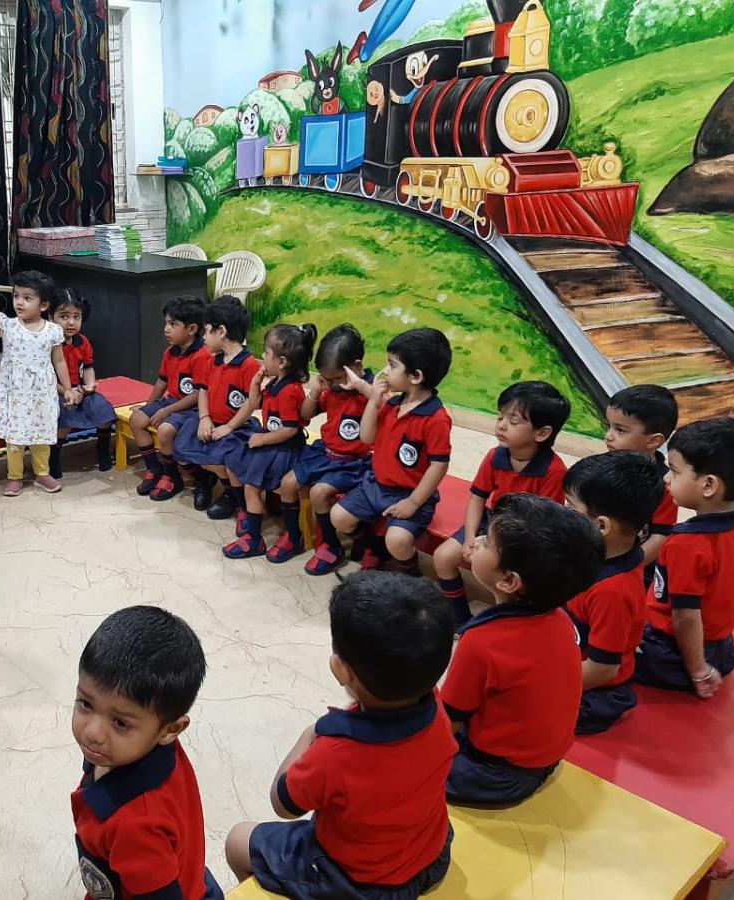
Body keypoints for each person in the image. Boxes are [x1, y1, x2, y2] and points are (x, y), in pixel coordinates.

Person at [224, 571, 456, 899]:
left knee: (237, 841)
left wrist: (311, 734)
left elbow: (283, 804)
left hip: (358, 883)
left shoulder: (333, 752)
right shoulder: (437, 708)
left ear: (340, 668)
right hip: (431, 857)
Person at [442, 494, 602, 804]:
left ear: (509, 580)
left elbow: (449, 721)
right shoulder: (560, 619)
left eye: (487, 542)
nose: (477, 542)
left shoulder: (481, 642)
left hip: (495, 774)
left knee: (399, 760)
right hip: (544, 758)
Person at [71, 606, 223, 899]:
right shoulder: (146, 743)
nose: (93, 732)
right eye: (86, 704)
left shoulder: (135, 825)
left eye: (120, 723)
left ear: (171, 730)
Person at [634, 417, 734, 698]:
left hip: (671, 651)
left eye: (675, 471)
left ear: (708, 485)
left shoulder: (685, 544)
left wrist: (698, 669)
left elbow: (685, 616)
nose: (666, 479)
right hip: (722, 648)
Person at [433, 381, 570, 625]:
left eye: (514, 421)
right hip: (493, 520)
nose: (502, 425)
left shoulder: (554, 471)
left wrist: (497, 548)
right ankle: (459, 618)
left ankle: (501, 621)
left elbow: (544, 524)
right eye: (500, 417)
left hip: (525, 535)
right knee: (443, 557)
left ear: (542, 433)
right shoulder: (495, 456)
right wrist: (470, 537)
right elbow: (477, 498)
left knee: (503, 579)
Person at [330, 328, 453, 576]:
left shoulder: (436, 419)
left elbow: (439, 466)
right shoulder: (394, 404)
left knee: (397, 540)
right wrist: (373, 401)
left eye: (392, 365)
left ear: (416, 376)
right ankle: (372, 545)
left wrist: (413, 502)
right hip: (375, 485)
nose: (385, 371)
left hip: (409, 493)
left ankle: (410, 573)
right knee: (339, 517)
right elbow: (367, 437)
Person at [563, 452, 665, 734]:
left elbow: (603, 669)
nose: (561, 515)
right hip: (567, 653)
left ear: (600, 526)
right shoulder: (590, 553)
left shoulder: (613, 592)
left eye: (570, 509)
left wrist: (544, 683)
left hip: (594, 688)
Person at [0, 270, 76, 497]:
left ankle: (42, 473)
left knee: (42, 433)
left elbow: (59, 361)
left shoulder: (52, 331)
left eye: (27, 298)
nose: (19, 302)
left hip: (42, 393)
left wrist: (67, 388)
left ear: (43, 305)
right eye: (16, 296)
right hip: (15, 393)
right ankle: (14, 476)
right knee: (15, 437)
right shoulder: (7, 325)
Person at [273, 324, 374, 575]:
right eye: (326, 379)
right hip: (324, 453)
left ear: (357, 367)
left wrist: (362, 387)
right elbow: (306, 415)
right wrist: (317, 391)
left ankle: (330, 545)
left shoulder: (371, 390)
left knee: (319, 492)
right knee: (287, 483)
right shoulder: (331, 388)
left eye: (336, 379)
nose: (332, 384)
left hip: (353, 461)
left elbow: (386, 407)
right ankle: (293, 536)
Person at [221, 324, 317, 559]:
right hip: (272, 444)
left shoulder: (290, 391)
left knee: (251, 486)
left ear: (282, 362)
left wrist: (262, 439)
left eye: (266, 352)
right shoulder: (275, 383)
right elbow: (256, 404)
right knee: (236, 463)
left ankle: (262, 538)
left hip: (285, 449)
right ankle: (252, 524)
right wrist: (255, 386)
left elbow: (289, 429)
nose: (262, 356)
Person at [173, 296, 264, 518]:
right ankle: (204, 480)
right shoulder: (212, 360)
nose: (203, 337)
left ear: (221, 331)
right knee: (182, 449)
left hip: (236, 427)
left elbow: (251, 403)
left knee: (225, 459)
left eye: (206, 331)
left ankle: (232, 495)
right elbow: (203, 390)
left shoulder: (249, 365)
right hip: (211, 421)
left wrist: (230, 426)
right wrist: (204, 417)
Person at [130, 296, 211, 503]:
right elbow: (161, 382)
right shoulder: (170, 351)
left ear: (192, 329)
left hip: (192, 408)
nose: (166, 329)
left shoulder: (202, 355)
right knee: (137, 419)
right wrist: (148, 407)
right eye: (166, 323)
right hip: (172, 401)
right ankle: (154, 468)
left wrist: (165, 411)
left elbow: (197, 395)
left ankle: (173, 475)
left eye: (173, 324)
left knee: (165, 431)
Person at [604, 385, 680, 576]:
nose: (609, 436)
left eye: (620, 430)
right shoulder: (600, 468)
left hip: (634, 572)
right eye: (608, 426)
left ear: (653, 441)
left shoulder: (665, 485)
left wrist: (624, 568)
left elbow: (660, 536)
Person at [49, 288, 117, 478]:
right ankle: (53, 457)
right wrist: (67, 391)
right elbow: (46, 378)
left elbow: (88, 367)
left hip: (79, 390)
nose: (71, 322)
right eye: (64, 316)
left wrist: (89, 386)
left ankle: (102, 447)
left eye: (76, 317)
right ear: (51, 316)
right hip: (56, 391)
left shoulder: (83, 341)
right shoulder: (48, 343)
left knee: (103, 411)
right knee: (64, 418)